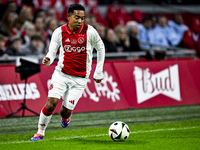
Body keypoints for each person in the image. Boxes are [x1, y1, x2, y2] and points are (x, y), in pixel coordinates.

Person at [30, 4, 105, 141]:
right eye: (77, 18)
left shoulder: (90, 31)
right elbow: (51, 53)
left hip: (80, 79)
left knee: (65, 111)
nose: (80, 21)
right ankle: (40, 132)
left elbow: (101, 48)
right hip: (61, 74)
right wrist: (48, 60)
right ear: (69, 16)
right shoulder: (59, 32)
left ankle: (66, 116)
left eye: (82, 18)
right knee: (51, 104)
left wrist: (98, 71)